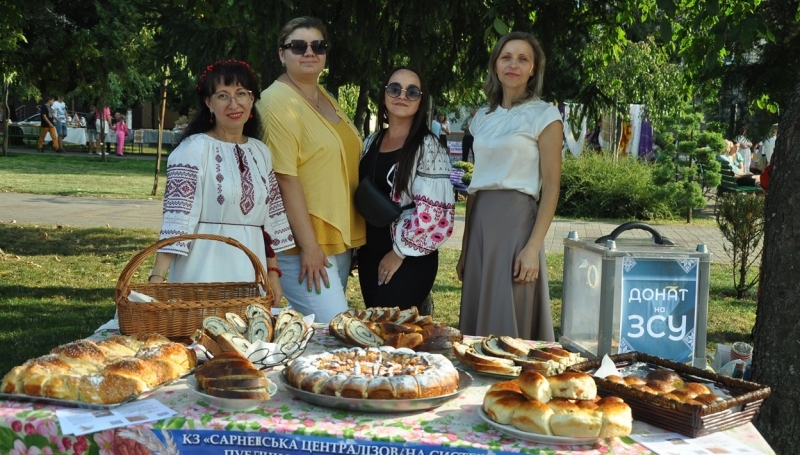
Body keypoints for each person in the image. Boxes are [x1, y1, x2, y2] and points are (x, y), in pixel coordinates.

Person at [148, 59, 293, 308]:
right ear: (208, 103)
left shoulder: (261, 152)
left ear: (252, 100)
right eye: (223, 95)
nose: (233, 104)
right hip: (203, 266)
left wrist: (272, 275)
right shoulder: (192, 150)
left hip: (251, 266)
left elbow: (270, 222)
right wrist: (157, 277)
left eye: (241, 94)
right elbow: (177, 221)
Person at [256, 16, 365, 323]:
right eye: (298, 46)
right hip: (303, 244)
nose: (309, 52)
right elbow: (285, 178)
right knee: (338, 328)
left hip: (335, 241)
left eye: (318, 45)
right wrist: (309, 246)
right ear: (281, 53)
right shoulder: (275, 102)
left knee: (323, 337)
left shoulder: (324, 95)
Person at [456, 31, 563, 341]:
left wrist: (532, 248)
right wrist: (464, 249)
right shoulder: (482, 118)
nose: (513, 64)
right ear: (495, 66)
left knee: (511, 309)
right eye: (506, 57)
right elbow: (476, 186)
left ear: (533, 70)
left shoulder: (544, 115)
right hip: (480, 224)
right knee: (479, 319)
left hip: (517, 223)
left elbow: (552, 187)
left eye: (523, 58)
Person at [357, 67, 456, 310]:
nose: (402, 95)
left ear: (421, 101)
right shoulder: (372, 141)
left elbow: (436, 213)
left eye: (412, 91)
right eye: (394, 88)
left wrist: (398, 252)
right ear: (384, 95)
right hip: (370, 254)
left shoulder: (428, 147)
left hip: (408, 258)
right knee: (378, 332)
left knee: (395, 332)